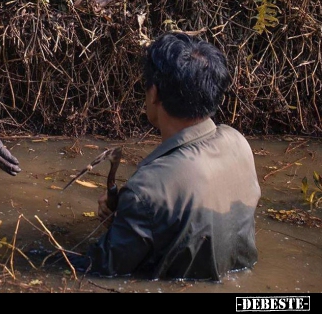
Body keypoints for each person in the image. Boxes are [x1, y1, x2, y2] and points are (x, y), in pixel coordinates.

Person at [78, 32, 261, 280]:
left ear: (153, 93)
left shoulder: (147, 190)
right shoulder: (238, 142)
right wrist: (125, 219)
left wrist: (126, 218)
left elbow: (97, 270)